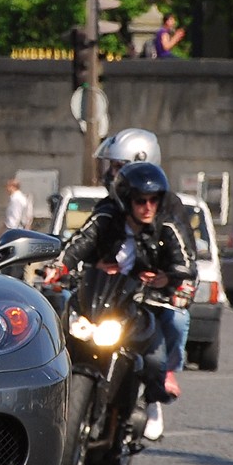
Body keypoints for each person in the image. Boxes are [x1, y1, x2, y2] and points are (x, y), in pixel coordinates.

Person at [43, 162, 196, 441]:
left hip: (142, 303)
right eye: (140, 200)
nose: (148, 207)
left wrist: (174, 281)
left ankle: (151, 399)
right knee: (60, 325)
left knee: (155, 356)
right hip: (102, 297)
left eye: (154, 200)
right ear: (126, 200)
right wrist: (59, 267)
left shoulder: (167, 226)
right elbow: (81, 241)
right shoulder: (106, 217)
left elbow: (185, 262)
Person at [94, 128, 195, 388]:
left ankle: (163, 375)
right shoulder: (107, 208)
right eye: (112, 166)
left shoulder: (170, 209)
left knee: (178, 319)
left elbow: (185, 259)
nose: (110, 174)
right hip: (112, 294)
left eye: (118, 167)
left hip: (153, 297)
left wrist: (170, 281)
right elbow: (88, 244)